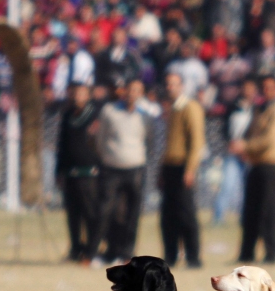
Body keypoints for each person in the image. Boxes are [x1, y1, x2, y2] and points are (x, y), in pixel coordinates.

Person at [234, 75, 275, 264]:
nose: (267, 91)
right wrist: (241, 143)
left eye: (271, 87)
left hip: (272, 164)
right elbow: (249, 131)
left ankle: (271, 254)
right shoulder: (259, 108)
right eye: (264, 87)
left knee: (268, 210)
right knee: (250, 211)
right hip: (256, 164)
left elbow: (270, 139)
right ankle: (246, 253)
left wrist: (246, 147)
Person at [94, 79, 148, 265]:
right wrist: (108, 157)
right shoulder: (110, 111)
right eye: (130, 89)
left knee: (132, 214)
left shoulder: (145, 115)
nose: (133, 93)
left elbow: (150, 140)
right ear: (124, 91)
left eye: (137, 90)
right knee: (106, 211)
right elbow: (100, 139)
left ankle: (127, 253)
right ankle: (97, 250)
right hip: (112, 167)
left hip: (136, 168)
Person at [160, 72, 205, 269]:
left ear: (182, 86)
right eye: (168, 84)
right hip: (169, 167)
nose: (170, 88)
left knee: (186, 214)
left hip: (183, 167)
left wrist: (190, 169)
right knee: (168, 215)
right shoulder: (172, 110)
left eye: (174, 84)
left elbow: (196, 142)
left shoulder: (190, 107)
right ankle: (170, 256)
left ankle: (193, 257)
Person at [56, 84, 101, 264]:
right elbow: (62, 144)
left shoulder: (95, 115)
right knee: (72, 214)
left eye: (81, 94)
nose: (77, 97)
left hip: (89, 172)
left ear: (88, 96)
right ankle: (76, 248)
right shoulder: (67, 115)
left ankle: (91, 249)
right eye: (74, 93)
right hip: (70, 172)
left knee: (89, 212)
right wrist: (59, 170)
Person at [213, 83, 254, 225]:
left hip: (250, 153)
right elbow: (224, 129)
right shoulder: (232, 107)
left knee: (247, 188)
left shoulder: (256, 108)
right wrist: (230, 144)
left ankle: (245, 217)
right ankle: (219, 216)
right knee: (228, 184)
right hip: (232, 152)